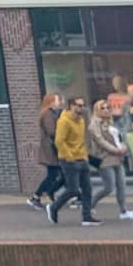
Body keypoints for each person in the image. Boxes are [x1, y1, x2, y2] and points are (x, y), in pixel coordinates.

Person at [47, 96, 98, 227]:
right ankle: (53, 207)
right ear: (71, 106)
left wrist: (84, 155)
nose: (81, 108)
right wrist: (69, 157)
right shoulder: (64, 121)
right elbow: (59, 141)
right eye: (79, 105)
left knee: (87, 189)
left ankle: (87, 217)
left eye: (83, 105)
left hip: (82, 158)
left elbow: (81, 140)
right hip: (69, 160)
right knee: (73, 189)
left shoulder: (81, 120)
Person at [87, 100, 133, 220]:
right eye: (102, 108)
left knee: (121, 184)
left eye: (107, 107)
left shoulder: (111, 122)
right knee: (109, 187)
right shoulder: (94, 124)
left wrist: (124, 146)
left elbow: (119, 137)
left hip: (118, 158)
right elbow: (100, 141)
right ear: (97, 110)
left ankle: (123, 211)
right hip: (105, 158)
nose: (105, 110)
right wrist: (116, 150)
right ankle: (89, 205)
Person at [30, 92, 64, 209]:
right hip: (51, 150)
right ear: (51, 102)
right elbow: (52, 131)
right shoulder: (48, 114)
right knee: (54, 174)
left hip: (51, 149)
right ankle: (37, 196)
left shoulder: (50, 113)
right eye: (57, 100)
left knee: (57, 174)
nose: (59, 103)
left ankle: (45, 194)